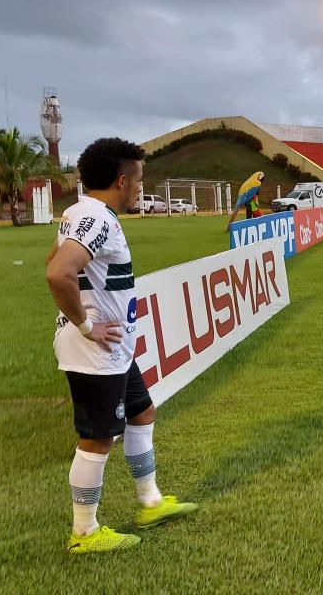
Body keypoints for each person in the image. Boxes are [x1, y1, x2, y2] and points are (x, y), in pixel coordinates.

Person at [45, 138, 197, 554]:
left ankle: (149, 502)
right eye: (138, 182)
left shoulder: (79, 212)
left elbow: (52, 263)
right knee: (97, 439)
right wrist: (86, 324)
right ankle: (84, 532)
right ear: (121, 179)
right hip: (95, 349)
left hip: (114, 349)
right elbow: (58, 273)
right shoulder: (98, 218)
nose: (139, 190)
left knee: (142, 411)